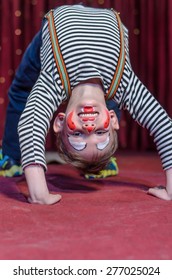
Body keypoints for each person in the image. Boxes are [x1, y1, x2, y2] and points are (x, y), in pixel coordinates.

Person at [1, 4, 172, 204]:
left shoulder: (53, 80)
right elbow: (162, 125)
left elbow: (31, 123)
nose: (89, 126)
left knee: (22, 91)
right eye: (100, 133)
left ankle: (12, 157)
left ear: (59, 122)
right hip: (106, 18)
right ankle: (101, 162)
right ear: (114, 120)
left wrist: (39, 192)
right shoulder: (124, 83)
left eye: (78, 135)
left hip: (54, 26)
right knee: (110, 96)